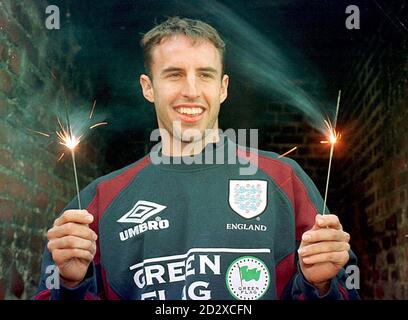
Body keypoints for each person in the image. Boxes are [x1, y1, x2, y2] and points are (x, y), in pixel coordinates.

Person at [35, 17, 359, 300]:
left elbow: (346, 291)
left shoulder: (284, 179)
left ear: (223, 87)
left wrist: (321, 287)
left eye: (205, 75)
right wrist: (71, 285)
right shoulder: (99, 200)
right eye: (174, 74)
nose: (191, 90)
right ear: (148, 88)